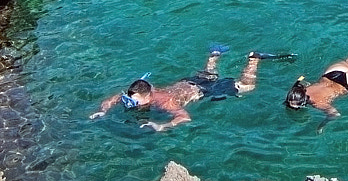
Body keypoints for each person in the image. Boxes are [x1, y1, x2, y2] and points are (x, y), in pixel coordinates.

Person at [91, 46, 285, 132]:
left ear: (148, 96)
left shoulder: (163, 102)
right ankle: (214, 54)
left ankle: (254, 59)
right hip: (187, 83)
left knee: (247, 87)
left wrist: (163, 126)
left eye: (134, 101)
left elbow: (184, 117)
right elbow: (114, 98)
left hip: (202, 90)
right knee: (210, 74)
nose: (129, 103)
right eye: (129, 99)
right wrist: (102, 110)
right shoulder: (142, 91)